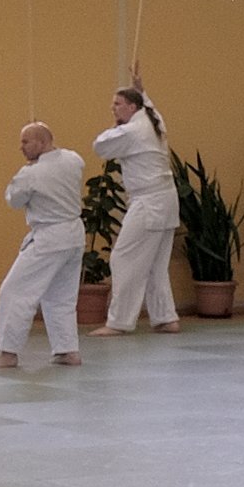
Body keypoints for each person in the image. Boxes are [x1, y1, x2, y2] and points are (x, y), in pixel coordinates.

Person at [0, 123, 84, 368]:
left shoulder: (30, 174)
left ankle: (7, 353)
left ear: (42, 142)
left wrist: (26, 172)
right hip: (74, 235)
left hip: (49, 237)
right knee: (61, 297)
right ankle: (68, 350)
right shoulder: (73, 159)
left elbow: (14, 201)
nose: (21, 147)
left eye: (26, 142)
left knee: (15, 291)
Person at [89, 66, 180, 337]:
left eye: (117, 104)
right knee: (155, 264)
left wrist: (119, 124)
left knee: (122, 258)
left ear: (130, 106)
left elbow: (100, 146)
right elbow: (149, 105)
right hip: (166, 200)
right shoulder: (154, 121)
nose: (112, 108)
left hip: (149, 202)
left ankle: (119, 322)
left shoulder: (132, 131)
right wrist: (141, 89)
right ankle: (166, 318)